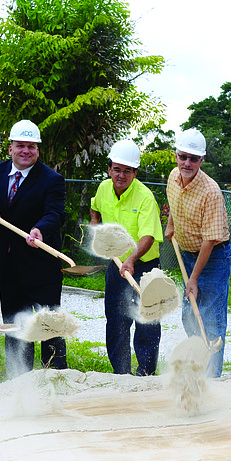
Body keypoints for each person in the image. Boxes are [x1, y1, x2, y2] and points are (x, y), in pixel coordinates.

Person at [0, 119, 67, 378]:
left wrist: (40, 229)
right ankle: (20, 378)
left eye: (31, 146)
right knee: (14, 325)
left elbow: (56, 213)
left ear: (38, 150)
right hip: (8, 265)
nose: (26, 150)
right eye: (20, 145)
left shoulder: (52, 179)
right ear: (10, 147)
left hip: (41, 266)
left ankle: (55, 378)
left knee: (49, 325)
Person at [90, 139, 163, 376]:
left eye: (128, 170)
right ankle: (121, 374)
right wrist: (96, 227)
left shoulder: (144, 197)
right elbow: (95, 207)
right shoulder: (103, 189)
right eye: (117, 169)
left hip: (145, 266)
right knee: (116, 320)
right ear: (109, 168)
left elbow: (149, 236)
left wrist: (131, 259)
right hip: (117, 265)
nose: (122, 175)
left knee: (146, 321)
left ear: (135, 173)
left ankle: (145, 372)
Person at [164, 129, 231, 377]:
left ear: (202, 160)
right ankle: (197, 364)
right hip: (188, 253)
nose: (187, 163)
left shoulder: (211, 192)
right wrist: (171, 223)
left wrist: (193, 279)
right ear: (176, 156)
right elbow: (174, 201)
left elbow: (209, 240)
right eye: (183, 157)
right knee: (188, 314)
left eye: (193, 159)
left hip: (213, 257)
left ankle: (210, 378)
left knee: (211, 319)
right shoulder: (173, 176)